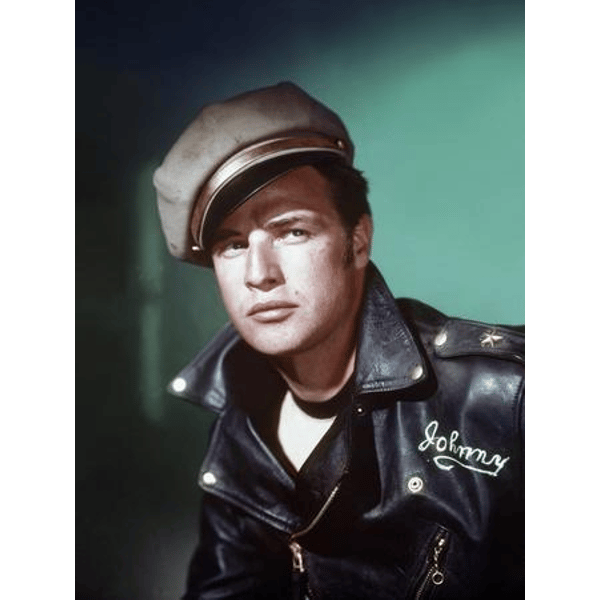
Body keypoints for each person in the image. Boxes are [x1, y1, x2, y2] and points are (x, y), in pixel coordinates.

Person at [153, 82, 524, 600]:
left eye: (292, 231)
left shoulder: (505, 395)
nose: (259, 274)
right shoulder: (240, 426)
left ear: (357, 240)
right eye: (232, 245)